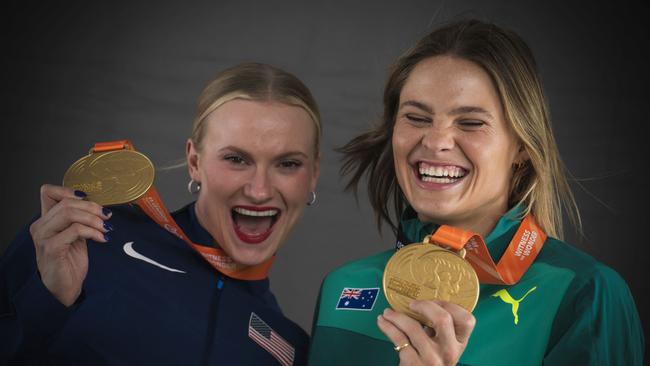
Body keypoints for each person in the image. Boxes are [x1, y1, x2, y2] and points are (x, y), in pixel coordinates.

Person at [308, 19, 644, 365]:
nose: (436, 142)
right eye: (416, 117)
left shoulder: (584, 294)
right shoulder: (342, 287)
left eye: (471, 123)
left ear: (522, 148)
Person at [0, 62, 321, 365]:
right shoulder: (85, 239)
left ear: (313, 175)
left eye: (288, 164)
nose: (259, 190)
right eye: (236, 159)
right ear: (195, 162)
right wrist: (46, 301)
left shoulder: (291, 347)